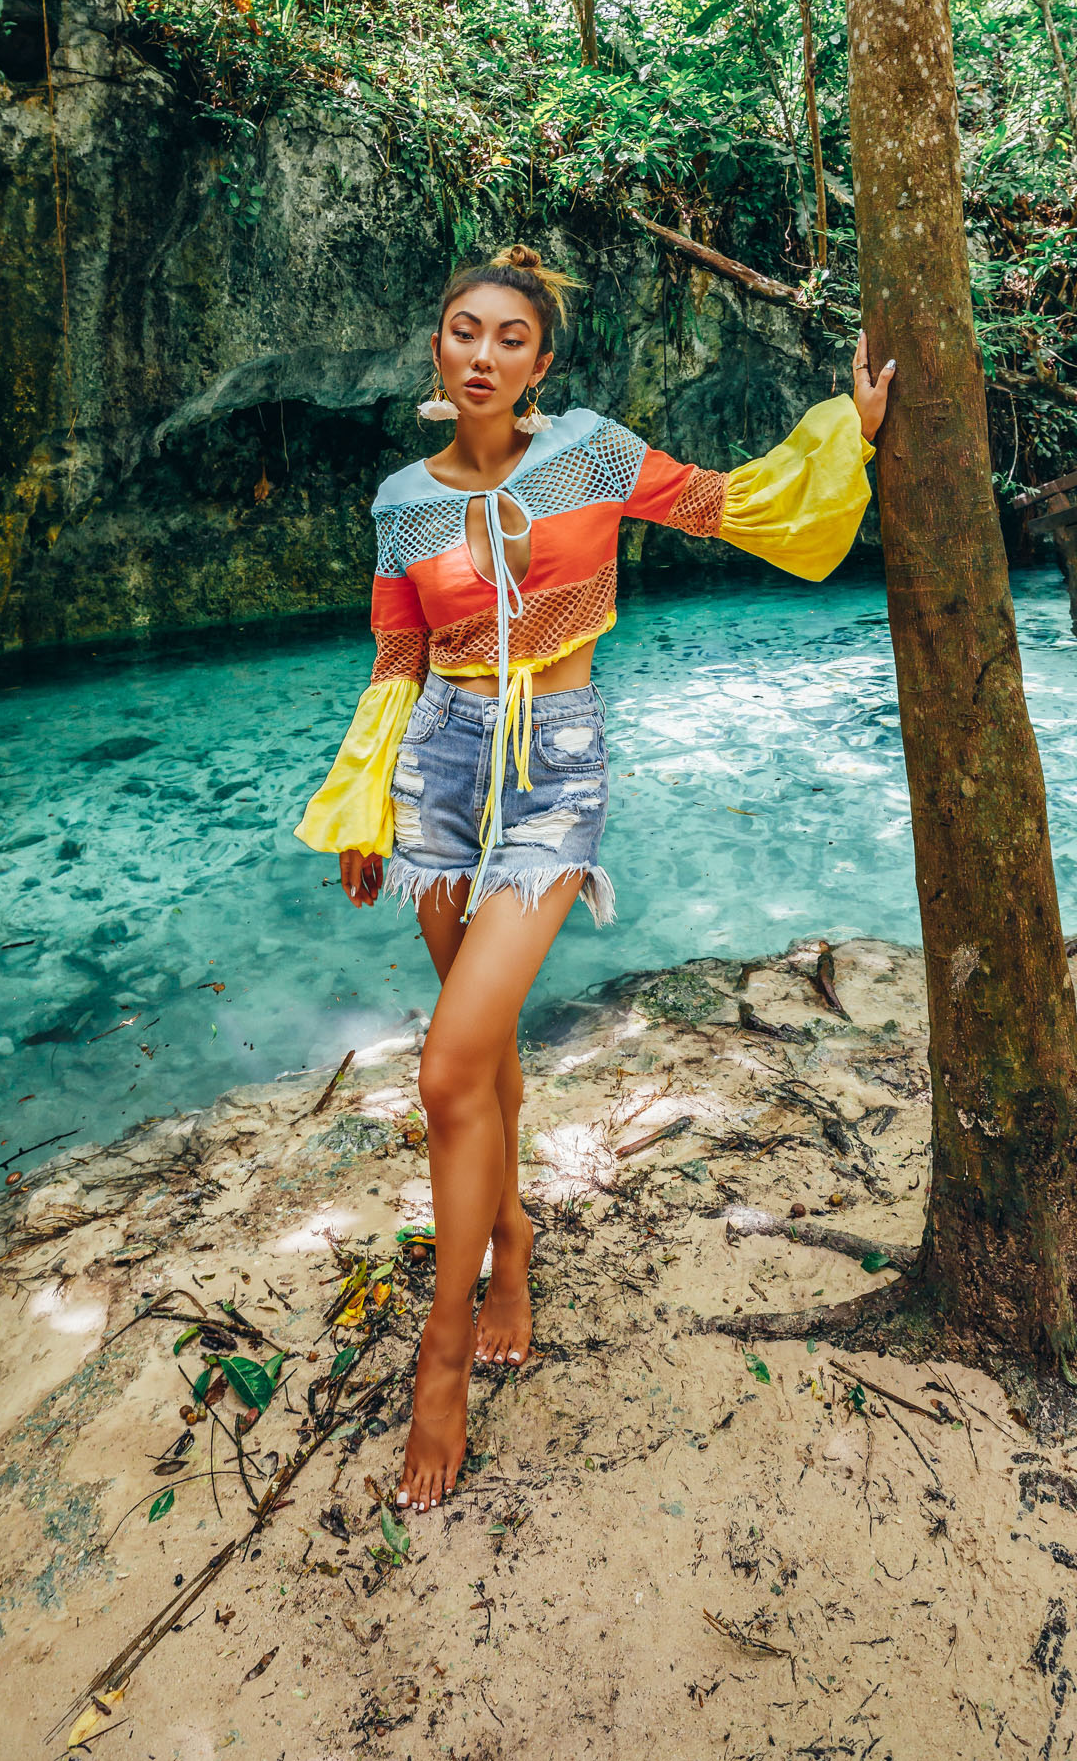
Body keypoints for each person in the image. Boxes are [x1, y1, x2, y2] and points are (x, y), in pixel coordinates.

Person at [295, 244, 893, 1513]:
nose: (483, 355)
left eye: (511, 339)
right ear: (437, 351)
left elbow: (739, 506)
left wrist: (849, 426)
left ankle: (443, 1363)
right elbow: (393, 664)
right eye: (464, 331)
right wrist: (362, 810)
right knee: (485, 1044)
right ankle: (510, 1249)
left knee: (450, 1063)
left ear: (541, 366)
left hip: (555, 772)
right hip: (439, 775)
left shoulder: (590, 455)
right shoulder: (402, 500)